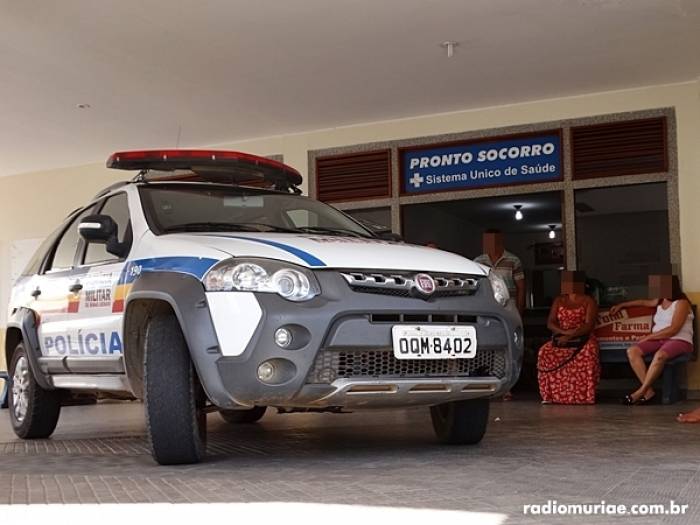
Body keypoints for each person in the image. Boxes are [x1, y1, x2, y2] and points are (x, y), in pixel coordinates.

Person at [610, 274, 694, 405]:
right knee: (632, 351)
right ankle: (648, 392)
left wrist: (649, 337)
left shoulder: (681, 303)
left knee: (660, 355)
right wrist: (622, 305)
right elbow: (643, 302)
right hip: (659, 339)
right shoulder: (660, 301)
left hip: (679, 340)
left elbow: (673, 329)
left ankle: (639, 392)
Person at [537, 271, 600, 404]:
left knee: (589, 352)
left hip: (583, 338)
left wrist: (571, 335)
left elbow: (588, 325)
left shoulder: (589, 301)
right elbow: (550, 322)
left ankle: (584, 396)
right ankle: (550, 396)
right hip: (561, 337)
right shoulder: (559, 300)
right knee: (544, 351)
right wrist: (563, 333)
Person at [474, 229, 525, 315]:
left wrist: (519, 310)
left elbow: (521, 287)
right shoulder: (478, 261)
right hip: (486, 305)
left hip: (509, 306)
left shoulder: (513, 260)